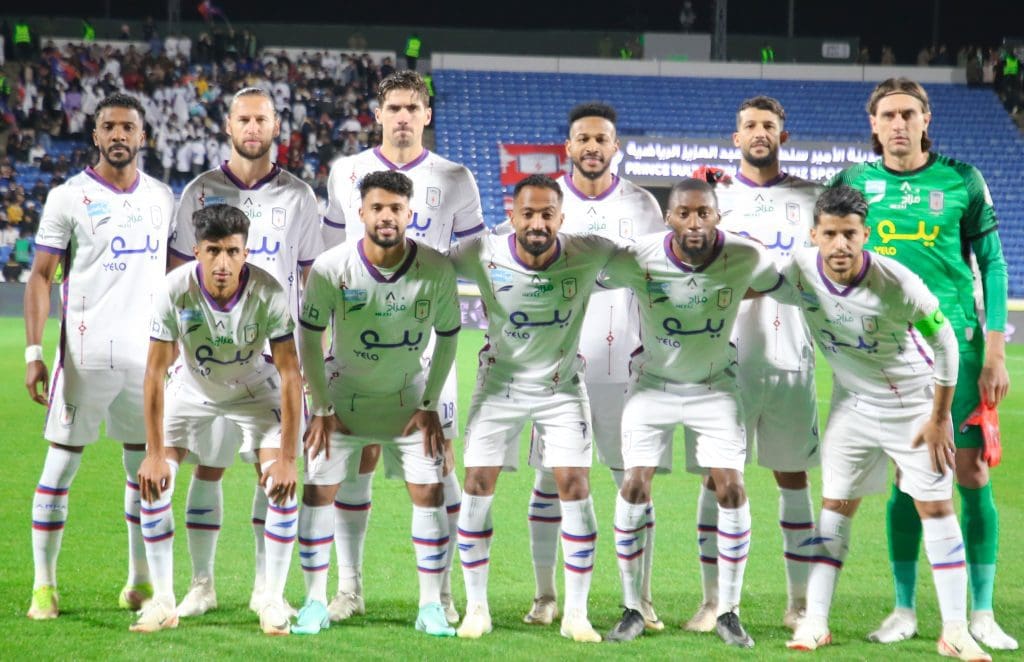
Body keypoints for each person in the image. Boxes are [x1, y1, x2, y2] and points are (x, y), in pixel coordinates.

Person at [832, 77, 1014, 651]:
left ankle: (981, 613)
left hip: (955, 350)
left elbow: (994, 263)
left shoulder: (962, 179)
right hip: (884, 354)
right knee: (908, 483)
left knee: (972, 474)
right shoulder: (855, 183)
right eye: (888, 115)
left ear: (926, 119)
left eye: (909, 113)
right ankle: (904, 608)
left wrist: (996, 350)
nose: (899, 124)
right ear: (874, 124)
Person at [784, 185, 991, 662]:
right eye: (831, 234)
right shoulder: (797, 269)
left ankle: (955, 631)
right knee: (835, 506)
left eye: (850, 234)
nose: (840, 245)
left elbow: (946, 345)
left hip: (913, 407)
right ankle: (815, 622)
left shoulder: (897, 282)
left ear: (866, 235)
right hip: (852, 405)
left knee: (936, 508)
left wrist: (940, 418)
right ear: (814, 234)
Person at [322, 69, 484, 625]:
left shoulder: (456, 178)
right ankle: (349, 588)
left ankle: (443, 593)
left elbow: (476, 263)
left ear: (427, 115)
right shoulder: (346, 173)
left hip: (425, 348)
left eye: (413, 108)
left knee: (439, 464)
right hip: (355, 350)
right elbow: (324, 262)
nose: (403, 117)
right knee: (355, 461)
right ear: (378, 113)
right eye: (393, 107)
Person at [601, 178, 787, 648]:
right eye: (684, 212)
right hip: (652, 385)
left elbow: (771, 285)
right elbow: (591, 275)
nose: (694, 221)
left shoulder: (744, 256)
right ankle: (632, 606)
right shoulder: (639, 255)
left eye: (703, 212)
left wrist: (712, 290)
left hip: (714, 387)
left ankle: (728, 610)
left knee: (731, 486)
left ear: (717, 216)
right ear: (669, 217)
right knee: (635, 483)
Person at [167, 86, 323, 619]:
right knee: (206, 469)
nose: (252, 128)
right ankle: (202, 585)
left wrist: (310, 360)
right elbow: (176, 276)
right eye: (243, 120)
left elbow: (312, 281)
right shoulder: (200, 190)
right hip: (207, 360)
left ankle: (265, 590)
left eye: (262, 120)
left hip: (273, 358)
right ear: (228, 126)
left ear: (276, 126)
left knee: (272, 470)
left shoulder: (300, 195)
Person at [290, 170, 460, 638]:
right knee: (319, 490)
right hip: (344, 404)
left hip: (409, 403)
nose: (387, 216)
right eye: (377, 207)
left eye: (396, 208)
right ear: (361, 212)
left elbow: (448, 339)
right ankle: (313, 601)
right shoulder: (331, 266)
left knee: (429, 492)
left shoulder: (437, 269)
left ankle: (430, 606)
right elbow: (308, 336)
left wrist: (429, 404)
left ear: (410, 213)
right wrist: (321, 406)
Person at [24, 93, 174, 620]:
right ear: (94, 135)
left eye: (127, 128)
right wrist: (34, 351)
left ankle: (139, 581)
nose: (117, 135)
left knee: (145, 472)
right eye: (108, 126)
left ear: (142, 137)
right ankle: (44, 586)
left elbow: (177, 279)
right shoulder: (68, 198)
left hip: (146, 360)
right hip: (84, 358)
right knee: (60, 466)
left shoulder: (163, 197)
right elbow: (41, 276)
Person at [452, 174, 620, 643]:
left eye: (548, 214)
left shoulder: (589, 251)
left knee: (574, 483)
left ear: (561, 218)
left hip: (560, 386)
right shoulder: (481, 253)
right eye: (528, 213)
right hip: (498, 383)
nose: (538, 222)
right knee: (477, 484)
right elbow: (425, 266)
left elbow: (647, 261)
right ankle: (477, 608)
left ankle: (576, 614)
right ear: (512, 215)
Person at [520, 102, 665, 630]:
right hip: (559, 370)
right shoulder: (547, 203)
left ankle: (641, 598)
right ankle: (543, 595)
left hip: (629, 369)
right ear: (569, 147)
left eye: (601, 139)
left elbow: (659, 281)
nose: (592, 147)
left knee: (635, 481)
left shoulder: (644, 206)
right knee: (547, 480)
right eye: (583, 138)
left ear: (615, 147)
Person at [132, 204, 301, 635]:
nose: (222, 263)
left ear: (246, 252)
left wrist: (286, 457)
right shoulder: (174, 289)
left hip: (252, 390)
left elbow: (289, 373)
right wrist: (153, 453)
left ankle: (272, 599)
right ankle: (164, 600)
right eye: (212, 251)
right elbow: (154, 372)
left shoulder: (268, 291)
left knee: (280, 485)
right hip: (191, 388)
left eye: (232, 251)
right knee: (151, 480)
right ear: (196, 251)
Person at [690, 96, 821, 633]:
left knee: (793, 477)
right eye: (750, 126)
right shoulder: (713, 198)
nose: (759, 133)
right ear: (735, 137)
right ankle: (711, 601)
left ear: (783, 137)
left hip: (793, 360)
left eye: (769, 125)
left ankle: (799, 603)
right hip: (725, 366)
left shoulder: (811, 199)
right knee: (716, 480)